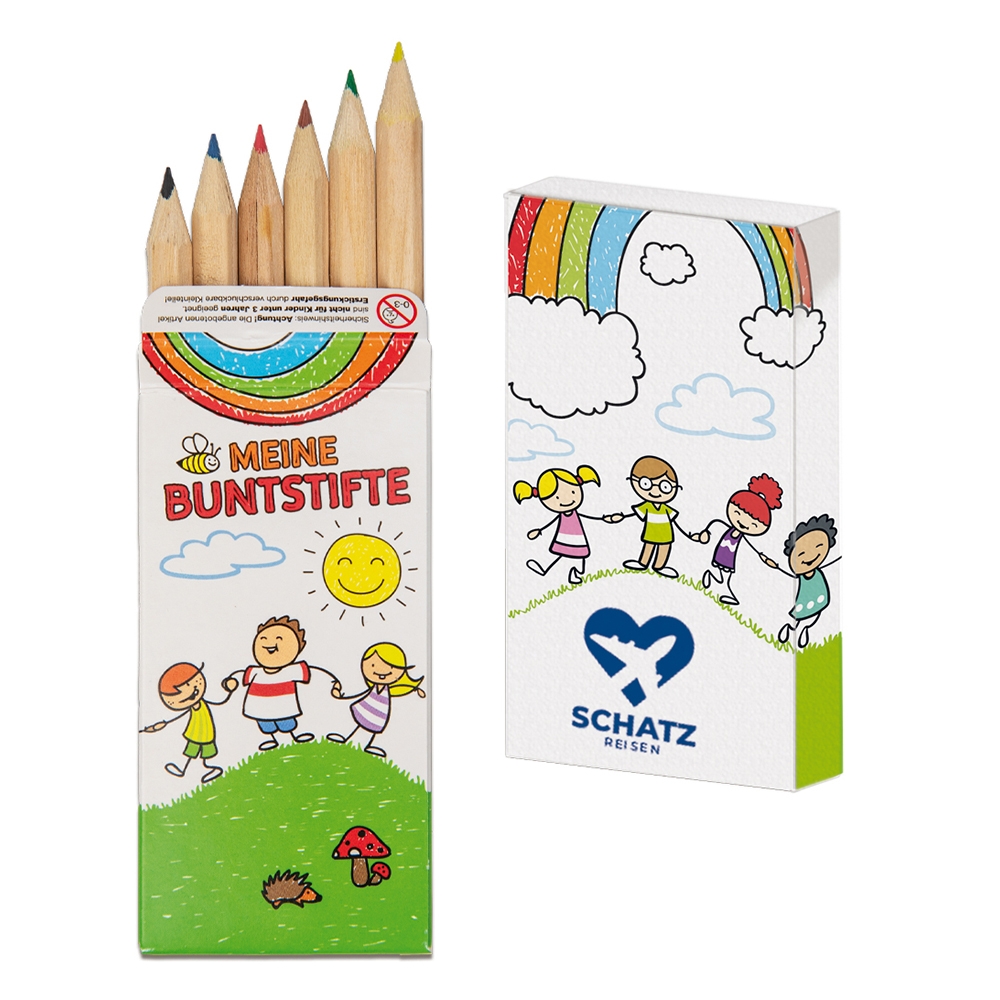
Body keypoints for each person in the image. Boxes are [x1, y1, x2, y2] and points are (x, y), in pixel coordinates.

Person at [223, 616, 341, 751]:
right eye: (263, 638)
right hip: (259, 709)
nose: (270, 643)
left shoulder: (292, 670)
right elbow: (239, 677)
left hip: (284, 708)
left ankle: (293, 737)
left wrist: (333, 683)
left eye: (279, 639)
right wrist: (230, 683)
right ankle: (271, 739)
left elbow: (315, 672)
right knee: (266, 726)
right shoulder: (255, 671)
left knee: (287, 724)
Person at [696, 474, 783, 606]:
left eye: (753, 524)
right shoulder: (722, 525)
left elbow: (755, 551)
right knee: (725, 577)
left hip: (728, 557)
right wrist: (703, 534)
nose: (744, 523)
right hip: (723, 555)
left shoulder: (742, 537)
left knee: (724, 575)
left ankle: (712, 576)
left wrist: (768, 561)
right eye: (738, 513)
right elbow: (713, 525)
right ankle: (725, 591)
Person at [327, 642, 425, 757]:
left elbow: (403, 686)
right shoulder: (373, 687)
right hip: (366, 707)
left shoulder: (388, 689)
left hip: (378, 711)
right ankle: (346, 738)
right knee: (358, 721)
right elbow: (361, 693)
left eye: (391, 667)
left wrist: (415, 689)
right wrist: (342, 696)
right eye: (373, 665)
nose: (381, 671)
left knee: (371, 727)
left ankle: (367, 745)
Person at [605, 456, 698, 578]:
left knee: (664, 548)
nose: (655, 491)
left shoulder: (666, 509)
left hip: (666, 535)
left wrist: (691, 536)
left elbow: (677, 524)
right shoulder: (647, 506)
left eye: (665, 487)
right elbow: (631, 515)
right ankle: (643, 563)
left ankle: (660, 566)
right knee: (648, 546)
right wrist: (617, 517)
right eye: (646, 484)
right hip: (650, 533)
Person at [759, 514, 841, 649]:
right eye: (801, 554)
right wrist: (769, 562)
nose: (811, 555)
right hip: (803, 602)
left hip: (820, 599)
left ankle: (805, 629)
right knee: (797, 619)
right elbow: (781, 570)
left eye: (819, 546)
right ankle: (789, 628)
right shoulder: (799, 577)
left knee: (814, 617)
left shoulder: (820, 570)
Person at [141, 662, 232, 783]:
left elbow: (220, 701)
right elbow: (172, 719)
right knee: (191, 752)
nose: (191, 693)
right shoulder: (193, 706)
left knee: (207, 754)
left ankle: (210, 768)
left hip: (207, 734)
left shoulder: (203, 702)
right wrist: (153, 727)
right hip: (195, 734)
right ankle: (183, 769)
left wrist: (229, 690)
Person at [513, 465, 603, 585]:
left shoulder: (575, 513)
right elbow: (551, 523)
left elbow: (588, 517)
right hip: (563, 537)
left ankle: (575, 572)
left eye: (573, 492)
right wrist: (539, 531)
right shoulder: (562, 515)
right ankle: (550, 569)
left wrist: (605, 518)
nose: (567, 500)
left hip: (578, 538)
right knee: (561, 555)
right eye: (557, 497)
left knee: (578, 558)